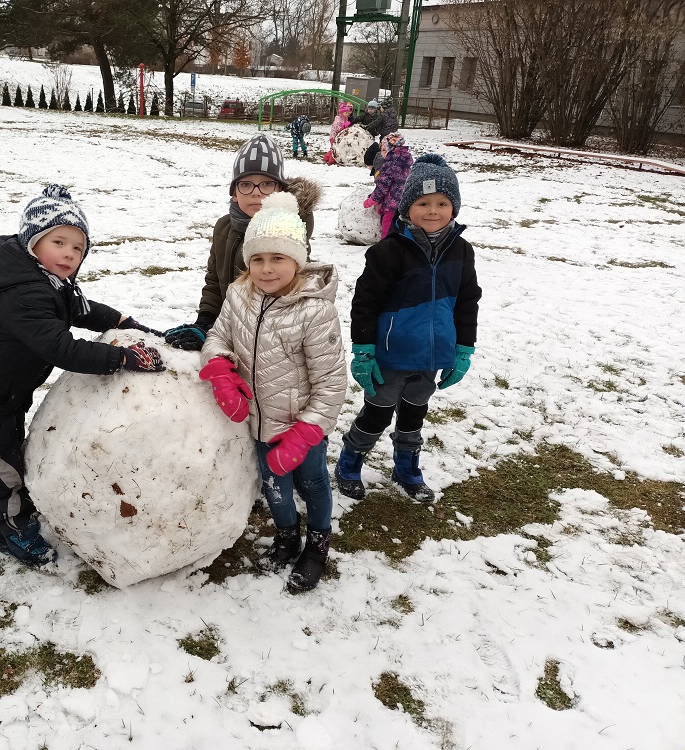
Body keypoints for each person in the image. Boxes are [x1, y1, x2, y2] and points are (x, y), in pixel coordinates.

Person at [0, 185, 166, 567]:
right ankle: (14, 531)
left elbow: (81, 309)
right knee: (5, 471)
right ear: (33, 242)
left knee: (3, 459)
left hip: (0, 393)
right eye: (59, 242)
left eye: (78, 247)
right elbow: (61, 348)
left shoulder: (46, 280)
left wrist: (124, 322)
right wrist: (121, 357)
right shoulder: (24, 294)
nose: (69, 253)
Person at [199, 191, 346, 593]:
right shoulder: (238, 294)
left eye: (278, 258)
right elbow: (218, 336)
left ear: (297, 259)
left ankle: (317, 544)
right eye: (258, 258)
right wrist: (219, 368)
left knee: (313, 483)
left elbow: (331, 383)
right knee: (273, 484)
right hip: (257, 423)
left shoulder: (314, 310)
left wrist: (305, 433)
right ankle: (287, 536)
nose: (266, 269)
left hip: (301, 427)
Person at [335, 154, 481, 503]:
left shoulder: (461, 251)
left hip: (431, 357)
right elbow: (365, 302)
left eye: (442, 203)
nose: (433, 211)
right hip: (390, 355)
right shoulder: (388, 251)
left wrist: (463, 349)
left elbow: (467, 301)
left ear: (454, 207)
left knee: (414, 415)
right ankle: (351, 459)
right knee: (377, 414)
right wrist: (364, 349)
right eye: (423, 203)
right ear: (407, 207)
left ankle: (406, 467)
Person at [164, 134, 322, 350]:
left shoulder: (288, 231)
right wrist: (205, 322)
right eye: (246, 184)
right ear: (234, 193)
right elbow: (214, 282)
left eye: (267, 184)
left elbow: (291, 293)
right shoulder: (223, 227)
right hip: (226, 331)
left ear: (279, 190)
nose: (256, 193)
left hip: (270, 342)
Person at [363, 133, 414, 238]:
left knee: (387, 224)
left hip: (393, 204)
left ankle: (385, 242)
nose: (381, 153)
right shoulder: (405, 161)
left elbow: (382, 186)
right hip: (406, 201)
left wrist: (371, 200)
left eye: (383, 150)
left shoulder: (390, 164)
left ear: (389, 150)